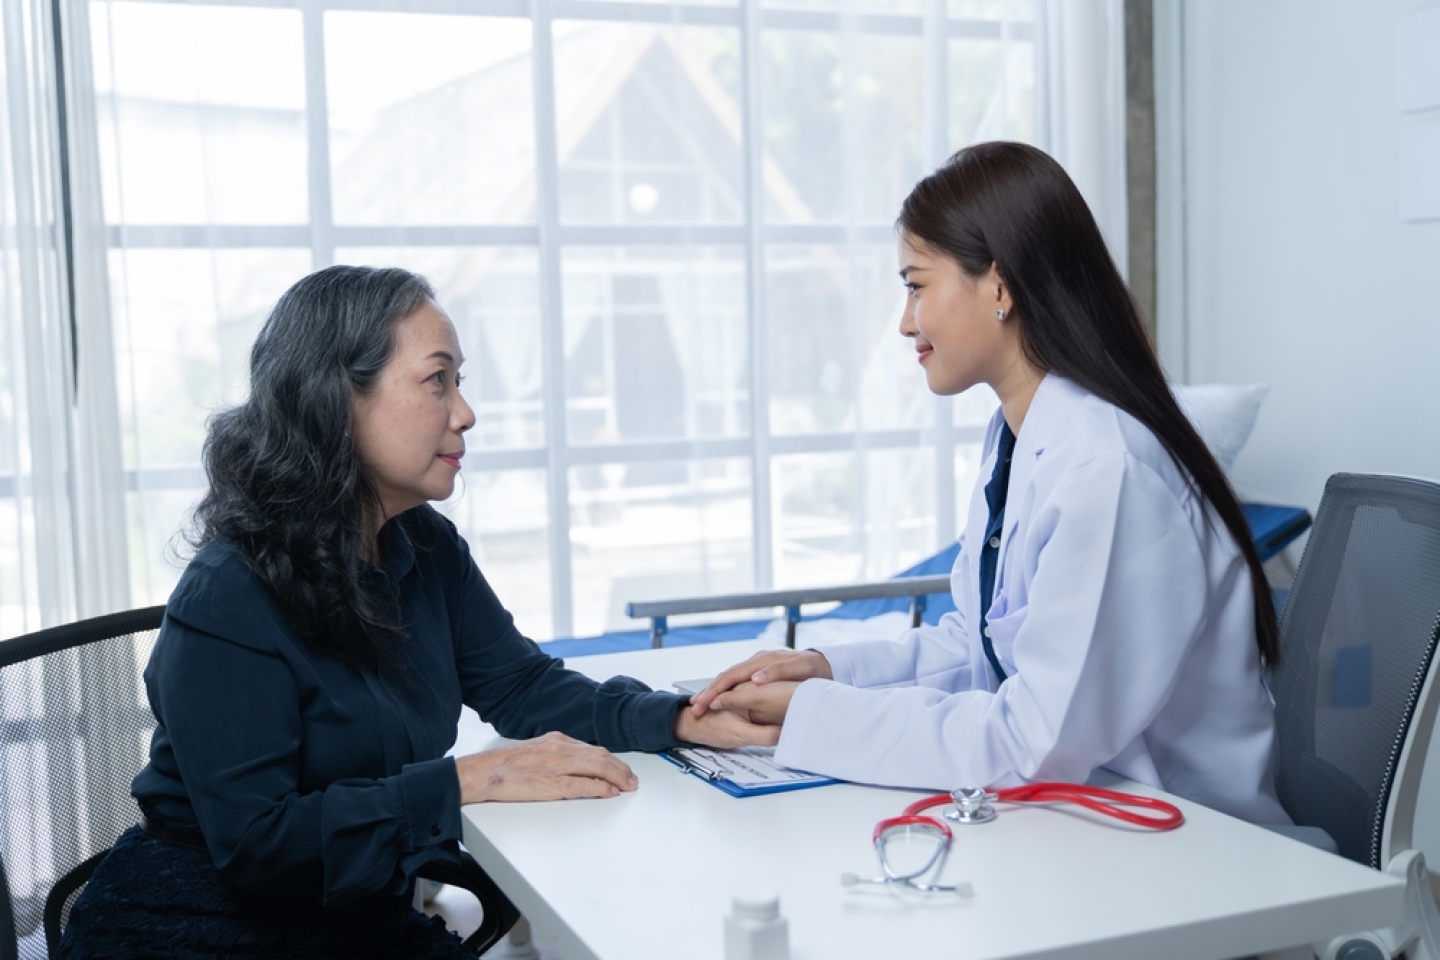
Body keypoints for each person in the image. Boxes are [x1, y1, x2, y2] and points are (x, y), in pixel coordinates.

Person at [60, 266, 775, 959]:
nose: (464, 412)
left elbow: (521, 686)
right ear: (335, 401)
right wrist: (465, 781)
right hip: (202, 922)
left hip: (352, 911)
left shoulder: (424, 546)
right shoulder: (227, 594)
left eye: (460, 382)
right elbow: (258, 845)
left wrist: (676, 718)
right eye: (437, 380)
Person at [689, 141, 1289, 825]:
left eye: (916, 285)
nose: (906, 322)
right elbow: (978, 649)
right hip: (1083, 818)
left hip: (1192, 849)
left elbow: (1031, 745)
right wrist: (827, 672)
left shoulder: (1107, 470)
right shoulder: (1022, 437)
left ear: (999, 286)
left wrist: (813, 720)